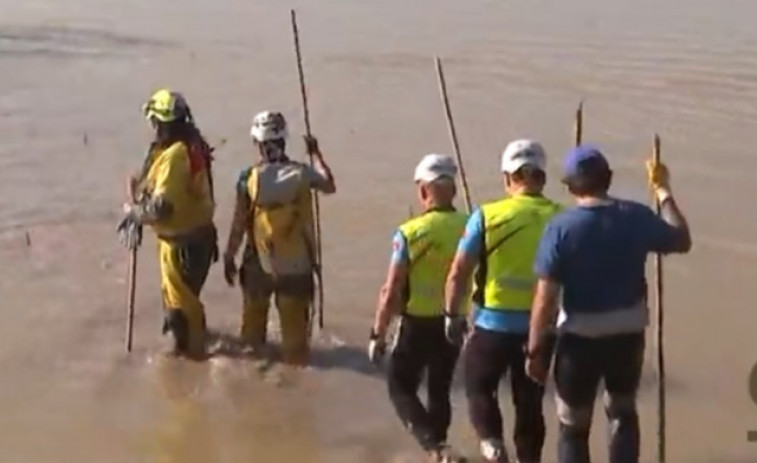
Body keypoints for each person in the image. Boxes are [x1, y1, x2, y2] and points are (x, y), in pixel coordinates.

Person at [525, 144, 691, 463]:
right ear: (609, 178)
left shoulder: (561, 227)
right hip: (628, 333)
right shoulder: (637, 216)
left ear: (571, 186)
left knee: (573, 427)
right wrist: (663, 191)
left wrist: (534, 349)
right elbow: (682, 239)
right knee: (623, 413)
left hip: (579, 339)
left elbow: (545, 298)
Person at [444, 140, 562, 463]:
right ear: (542, 178)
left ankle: (493, 445)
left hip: (491, 326)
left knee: (478, 387)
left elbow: (458, 273)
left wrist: (451, 316)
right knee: (530, 402)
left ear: (508, 179)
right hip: (541, 330)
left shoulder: (486, 216)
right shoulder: (562, 218)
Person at [369, 153, 470, 463]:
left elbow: (391, 289)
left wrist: (378, 334)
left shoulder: (409, 233)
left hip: (417, 322)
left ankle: (434, 448)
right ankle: (441, 449)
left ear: (423, 191)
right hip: (454, 320)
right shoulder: (472, 226)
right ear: (452, 189)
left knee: (399, 385)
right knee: (440, 388)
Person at [222, 111, 335, 366]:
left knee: (251, 340)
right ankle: (295, 385)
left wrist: (229, 257)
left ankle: (253, 383)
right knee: (295, 345)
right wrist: (315, 153)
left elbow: (239, 223)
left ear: (257, 144)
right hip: (297, 265)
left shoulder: (247, 179)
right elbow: (329, 185)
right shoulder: (302, 174)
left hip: (257, 264)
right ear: (284, 140)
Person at [118, 88, 218, 358]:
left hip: (184, 245)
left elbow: (161, 208)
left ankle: (193, 363)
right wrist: (135, 193)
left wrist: (133, 212)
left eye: (155, 123)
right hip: (196, 239)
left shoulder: (176, 155)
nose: (153, 128)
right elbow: (149, 178)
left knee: (180, 313)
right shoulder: (190, 142)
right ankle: (192, 348)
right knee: (183, 303)